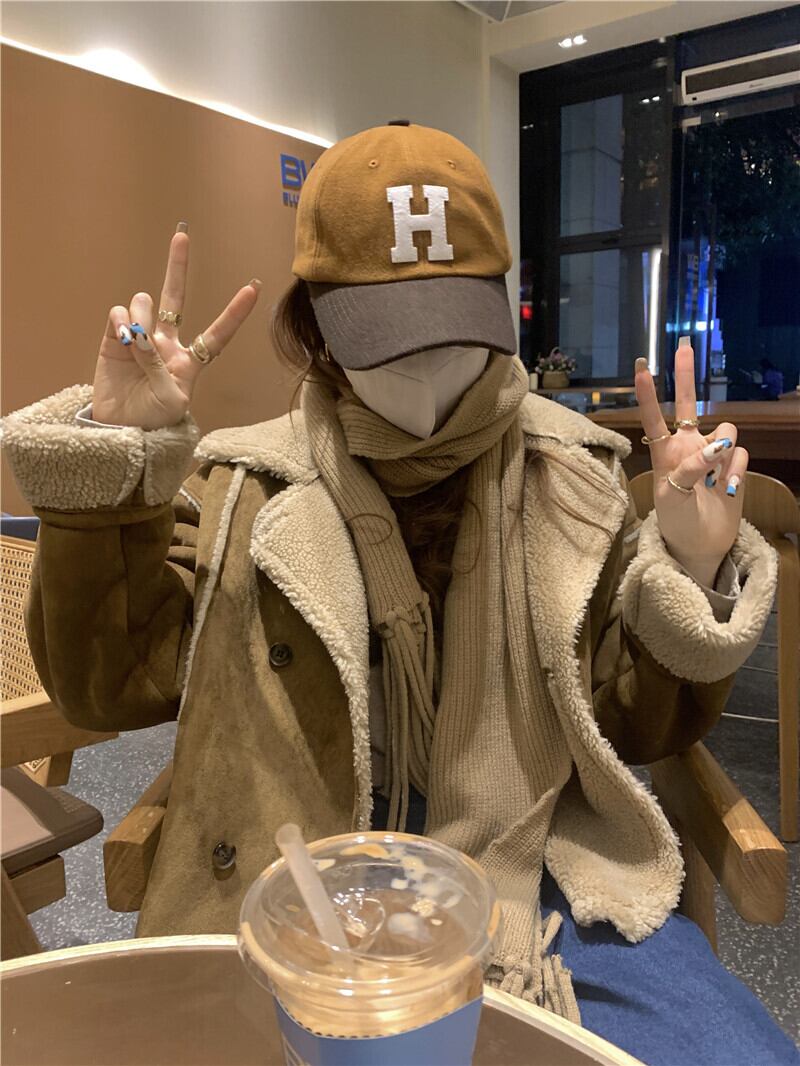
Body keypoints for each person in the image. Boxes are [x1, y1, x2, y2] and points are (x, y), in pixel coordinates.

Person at [2, 121, 796, 1066]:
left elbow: (633, 724)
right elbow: (109, 686)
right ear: (316, 328)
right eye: (385, 334)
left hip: (539, 872)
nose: (423, 367)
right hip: (296, 869)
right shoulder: (244, 487)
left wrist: (690, 568)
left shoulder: (573, 479)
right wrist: (114, 468)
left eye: (451, 327)